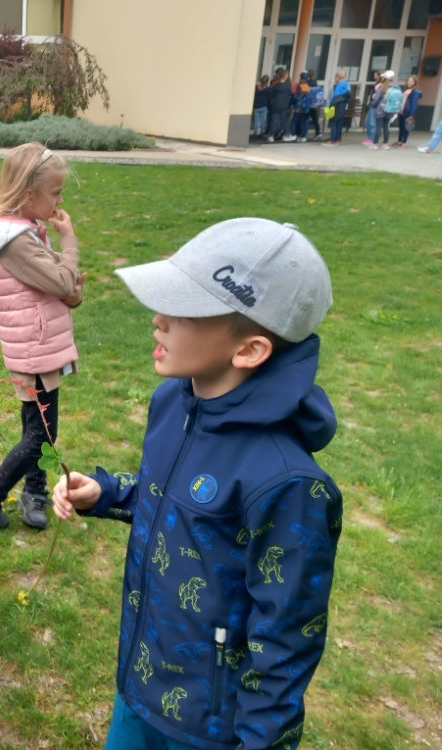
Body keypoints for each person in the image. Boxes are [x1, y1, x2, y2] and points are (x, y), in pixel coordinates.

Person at [52, 218, 342, 750]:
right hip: (141, 682)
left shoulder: (288, 484)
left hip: (210, 726)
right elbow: (171, 495)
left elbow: (286, 640)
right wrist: (108, 493)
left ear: (249, 350)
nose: (158, 320)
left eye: (184, 311)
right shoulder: (174, 401)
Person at [0, 142, 84, 532]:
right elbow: (63, 282)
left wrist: (68, 289)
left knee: (35, 428)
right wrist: (69, 243)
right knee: (43, 434)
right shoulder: (15, 240)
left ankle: (34, 492)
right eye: (56, 192)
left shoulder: (20, 230)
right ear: (29, 195)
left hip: (35, 345)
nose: (60, 200)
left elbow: (61, 288)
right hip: (35, 349)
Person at [371, 70, 400, 150]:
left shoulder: (382, 87)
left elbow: (376, 99)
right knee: (386, 127)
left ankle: (375, 143)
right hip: (390, 110)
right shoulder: (396, 87)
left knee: (378, 127)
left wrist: (373, 105)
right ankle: (385, 144)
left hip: (381, 110)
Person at [395, 74, 422, 147]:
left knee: (406, 128)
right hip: (402, 111)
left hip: (408, 112)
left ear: (415, 82)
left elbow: (414, 104)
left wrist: (412, 114)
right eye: (408, 81)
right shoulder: (406, 89)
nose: (409, 82)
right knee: (401, 127)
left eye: (411, 81)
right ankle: (399, 141)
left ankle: (404, 142)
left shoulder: (415, 92)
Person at [325, 70, 351, 146]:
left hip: (336, 105)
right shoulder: (347, 85)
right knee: (339, 123)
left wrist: (329, 106)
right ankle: (338, 139)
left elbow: (334, 97)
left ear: (337, 77)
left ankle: (332, 140)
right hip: (343, 106)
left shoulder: (337, 86)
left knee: (333, 122)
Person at [266, 68, 291, 142]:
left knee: (274, 120)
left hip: (275, 104)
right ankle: (285, 135)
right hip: (284, 105)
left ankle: (271, 135)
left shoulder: (275, 86)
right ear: (286, 76)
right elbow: (290, 95)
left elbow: (272, 95)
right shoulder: (288, 86)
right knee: (284, 120)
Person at [287, 70, 310, 142]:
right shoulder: (308, 86)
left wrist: (291, 104)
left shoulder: (300, 87)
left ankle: (293, 135)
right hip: (306, 108)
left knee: (293, 121)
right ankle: (303, 136)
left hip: (299, 107)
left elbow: (296, 97)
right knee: (303, 122)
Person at [363, 70, 382, 145]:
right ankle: (370, 137)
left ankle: (372, 138)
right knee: (368, 122)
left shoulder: (380, 86)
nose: (374, 76)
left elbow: (377, 97)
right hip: (372, 105)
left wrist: (373, 103)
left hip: (375, 106)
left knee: (372, 123)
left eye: (375, 75)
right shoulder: (376, 84)